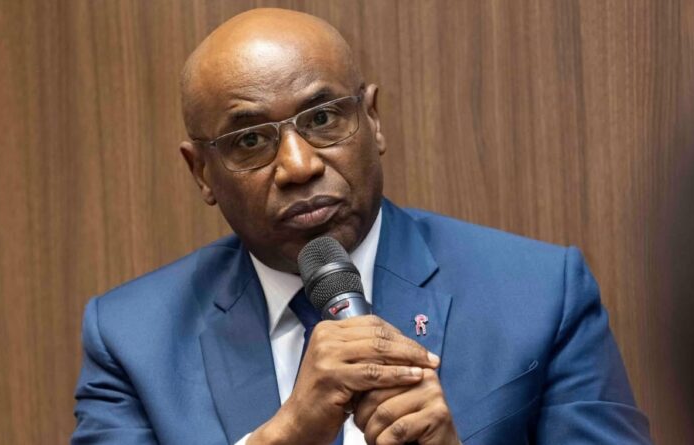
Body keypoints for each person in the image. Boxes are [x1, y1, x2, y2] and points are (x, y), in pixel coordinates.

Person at [72, 8, 652, 445]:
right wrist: (286, 436)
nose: (299, 166)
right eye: (249, 140)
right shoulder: (133, 339)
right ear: (202, 172)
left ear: (372, 120)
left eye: (323, 117)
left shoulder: (540, 294)